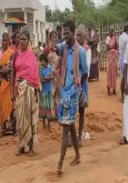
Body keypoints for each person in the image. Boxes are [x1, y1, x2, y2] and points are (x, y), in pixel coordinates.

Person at [56, 20, 88, 174]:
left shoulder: (80, 51)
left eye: (67, 33)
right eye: (63, 33)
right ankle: (77, 155)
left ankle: (60, 163)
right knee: (71, 126)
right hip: (64, 92)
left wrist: (79, 89)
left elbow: (85, 73)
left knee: (65, 129)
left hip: (73, 94)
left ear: (73, 33)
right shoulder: (64, 48)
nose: (65, 36)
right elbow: (54, 49)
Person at [11, 30, 40, 157]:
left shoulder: (32, 56)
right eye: (20, 39)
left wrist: (30, 84)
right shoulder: (15, 54)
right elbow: (12, 72)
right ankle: (21, 145)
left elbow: (34, 75)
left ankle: (31, 146)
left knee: (29, 117)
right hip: (19, 90)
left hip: (29, 90)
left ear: (28, 41)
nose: (22, 41)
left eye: (24, 39)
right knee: (20, 118)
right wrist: (13, 90)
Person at [0, 33, 16, 137]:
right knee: (3, 105)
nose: (4, 42)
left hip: (11, 82)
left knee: (11, 105)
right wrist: (2, 71)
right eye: (3, 40)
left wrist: (9, 70)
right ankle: (3, 127)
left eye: (6, 40)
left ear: (9, 41)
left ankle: (12, 128)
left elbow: (15, 68)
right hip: (2, 82)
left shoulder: (12, 53)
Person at [76, 25, 90, 148]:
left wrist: (80, 87)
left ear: (84, 36)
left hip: (82, 86)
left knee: (81, 112)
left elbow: (86, 72)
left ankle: (79, 135)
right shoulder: (74, 49)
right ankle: (74, 135)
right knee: (72, 112)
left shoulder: (86, 50)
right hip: (74, 86)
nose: (78, 38)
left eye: (80, 35)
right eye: (77, 35)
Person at [45, 31, 60, 115]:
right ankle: (51, 112)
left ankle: (57, 112)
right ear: (50, 38)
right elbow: (44, 61)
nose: (55, 39)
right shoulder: (47, 49)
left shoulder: (58, 48)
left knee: (58, 92)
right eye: (53, 37)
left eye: (56, 37)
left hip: (57, 73)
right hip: (50, 73)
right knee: (51, 92)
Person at [38, 53, 55, 128]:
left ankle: (48, 124)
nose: (41, 62)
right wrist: (47, 78)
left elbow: (52, 77)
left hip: (48, 90)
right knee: (44, 107)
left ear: (45, 61)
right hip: (44, 91)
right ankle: (44, 124)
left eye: (42, 61)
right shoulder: (41, 69)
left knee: (48, 107)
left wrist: (45, 78)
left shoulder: (50, 67)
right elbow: (41, 80)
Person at [119, 25, 128, 102]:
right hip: (125, 59)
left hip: (121, 58)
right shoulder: (127, 38)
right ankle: (124, 97)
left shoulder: (120, 36)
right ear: (127, 30)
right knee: (125, 78)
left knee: (122, 78)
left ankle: (122, 97)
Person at [106, 26, 119, 95]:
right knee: (109, 74)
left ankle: (114, 90)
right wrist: (112, 48)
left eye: (113, 31)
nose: (112, 32)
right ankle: (108, 90)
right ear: (109, 32)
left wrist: (115, 39)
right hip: (110, 57)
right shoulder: (108, 38)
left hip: (114, 58)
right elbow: (107, 48)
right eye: (111, 31)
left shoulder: (115, 38)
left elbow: (117, 46)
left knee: (114, 74)